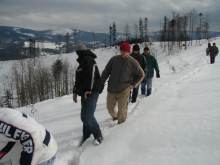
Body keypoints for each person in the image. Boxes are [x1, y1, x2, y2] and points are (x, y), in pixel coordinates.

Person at [101, 42, 145, 124]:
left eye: (126, 51)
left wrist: (133, 85)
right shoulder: (114, 59)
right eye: (122, 50)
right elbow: (106, 72)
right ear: (120, 50)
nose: (124, 53)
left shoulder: (133, 62)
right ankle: (115, 116)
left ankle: (121, 126)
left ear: (129, 51)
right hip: (111, 89)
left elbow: (142, 74)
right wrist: (101, 83)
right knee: (109, 108)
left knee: (122, 110)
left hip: (124, 89)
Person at [73, 43, 103, 146]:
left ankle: (98, 135)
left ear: (80, 52)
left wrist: (88, 90)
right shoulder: (82, 62)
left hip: (91, 92)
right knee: (84, 116)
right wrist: (75, 92)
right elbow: (78, 80)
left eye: (77, 52)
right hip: (85, 93)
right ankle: (86, 133)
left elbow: (91, 75)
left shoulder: (88, 59)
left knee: (88, 116)